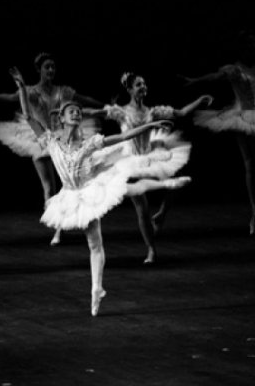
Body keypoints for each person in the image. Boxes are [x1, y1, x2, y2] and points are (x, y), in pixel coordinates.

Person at [11, 66, 191, 316]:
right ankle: (166, 185)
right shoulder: (51, 140)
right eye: (70, 111)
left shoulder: (91, 142)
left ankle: (96, 289)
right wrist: (21, 88)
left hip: (88, 190)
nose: (75, 113)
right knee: (109, 220)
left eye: (77, 111)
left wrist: (151, 126)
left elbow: (124, 136)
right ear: (62, 119)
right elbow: (29, 117)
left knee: (98, 241)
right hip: (70, 195)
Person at [0, 53, 103, 245]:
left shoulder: (63, 91)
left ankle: (61, 229)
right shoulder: (31, 91)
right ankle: (56, 228)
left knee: (67, 183)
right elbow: (11, 98)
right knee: (48, 187)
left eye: (53, 67)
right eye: (47, 67)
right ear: (39, 70)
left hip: (62, 138)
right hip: (41, 139)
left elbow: (82, 98)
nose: (51, 70)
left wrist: (105, 105)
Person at [85, 72, 212, 263]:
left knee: (176, 182)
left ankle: (161, 214)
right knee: (142, 209)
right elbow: (95, 113)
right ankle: (151, 250)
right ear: (129, 89)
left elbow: (181, 113)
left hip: (151, 154)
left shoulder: (153, 112)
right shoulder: (121, 112)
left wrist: (199, 100)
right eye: (138, 84)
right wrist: (67, 112)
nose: (143, 87)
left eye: (144, 84)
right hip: (130, 160)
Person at [183, 31, 255, 235]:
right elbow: (216, 76)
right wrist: (196, 80)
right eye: (250, 45)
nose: (254, 48)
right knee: (250, 164)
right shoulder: (235, 69)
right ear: (243, 48)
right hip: (241, 115)